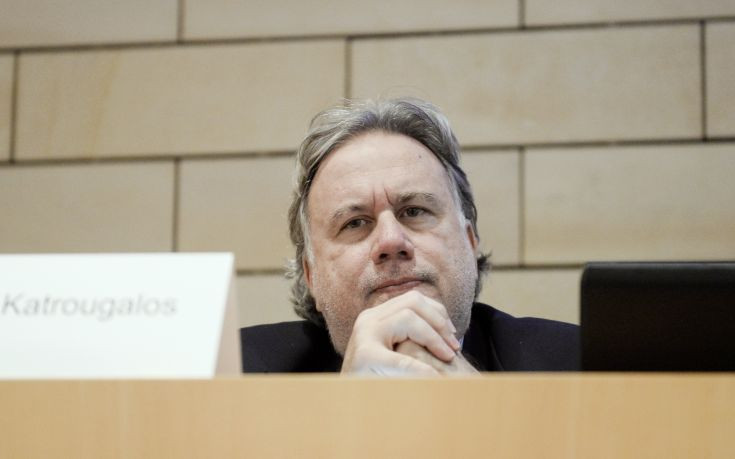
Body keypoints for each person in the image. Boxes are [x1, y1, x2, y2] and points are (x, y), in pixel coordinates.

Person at [241, 98, 579, 374]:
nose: (391, 242)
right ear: (311, 275)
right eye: (355, 223)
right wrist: (344, 412)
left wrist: (481, 406)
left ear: (470, 242)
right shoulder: (240, 377)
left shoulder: (578, 365)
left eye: (414, 211)